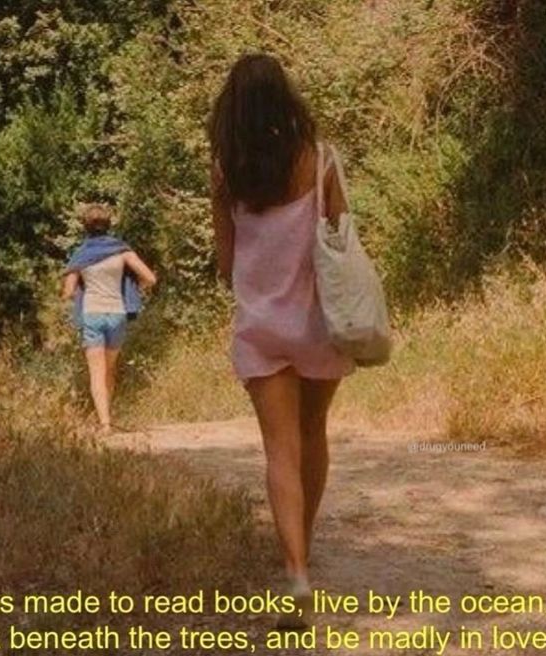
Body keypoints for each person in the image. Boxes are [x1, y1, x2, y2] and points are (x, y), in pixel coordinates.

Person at [208, 54, 355, 628]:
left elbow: (226, 264)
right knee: (313, 434)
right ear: (285, 99)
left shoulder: (227, 173)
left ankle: (295, 571)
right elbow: (340, 242)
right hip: (319, 324)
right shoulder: (322, 162)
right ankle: (305, 549)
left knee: (278, 450)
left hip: (260, 328)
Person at [62, 203, 157, 433]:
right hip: (117, 314)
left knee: (96, 371)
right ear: (108, 225)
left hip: (92, 314)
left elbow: (68, 291)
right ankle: (107, 417)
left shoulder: (81, 254)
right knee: (109, 369)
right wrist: (134, 286)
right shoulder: (122, 250)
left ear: (85, 227)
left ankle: (104, 424)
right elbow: (150, 278)